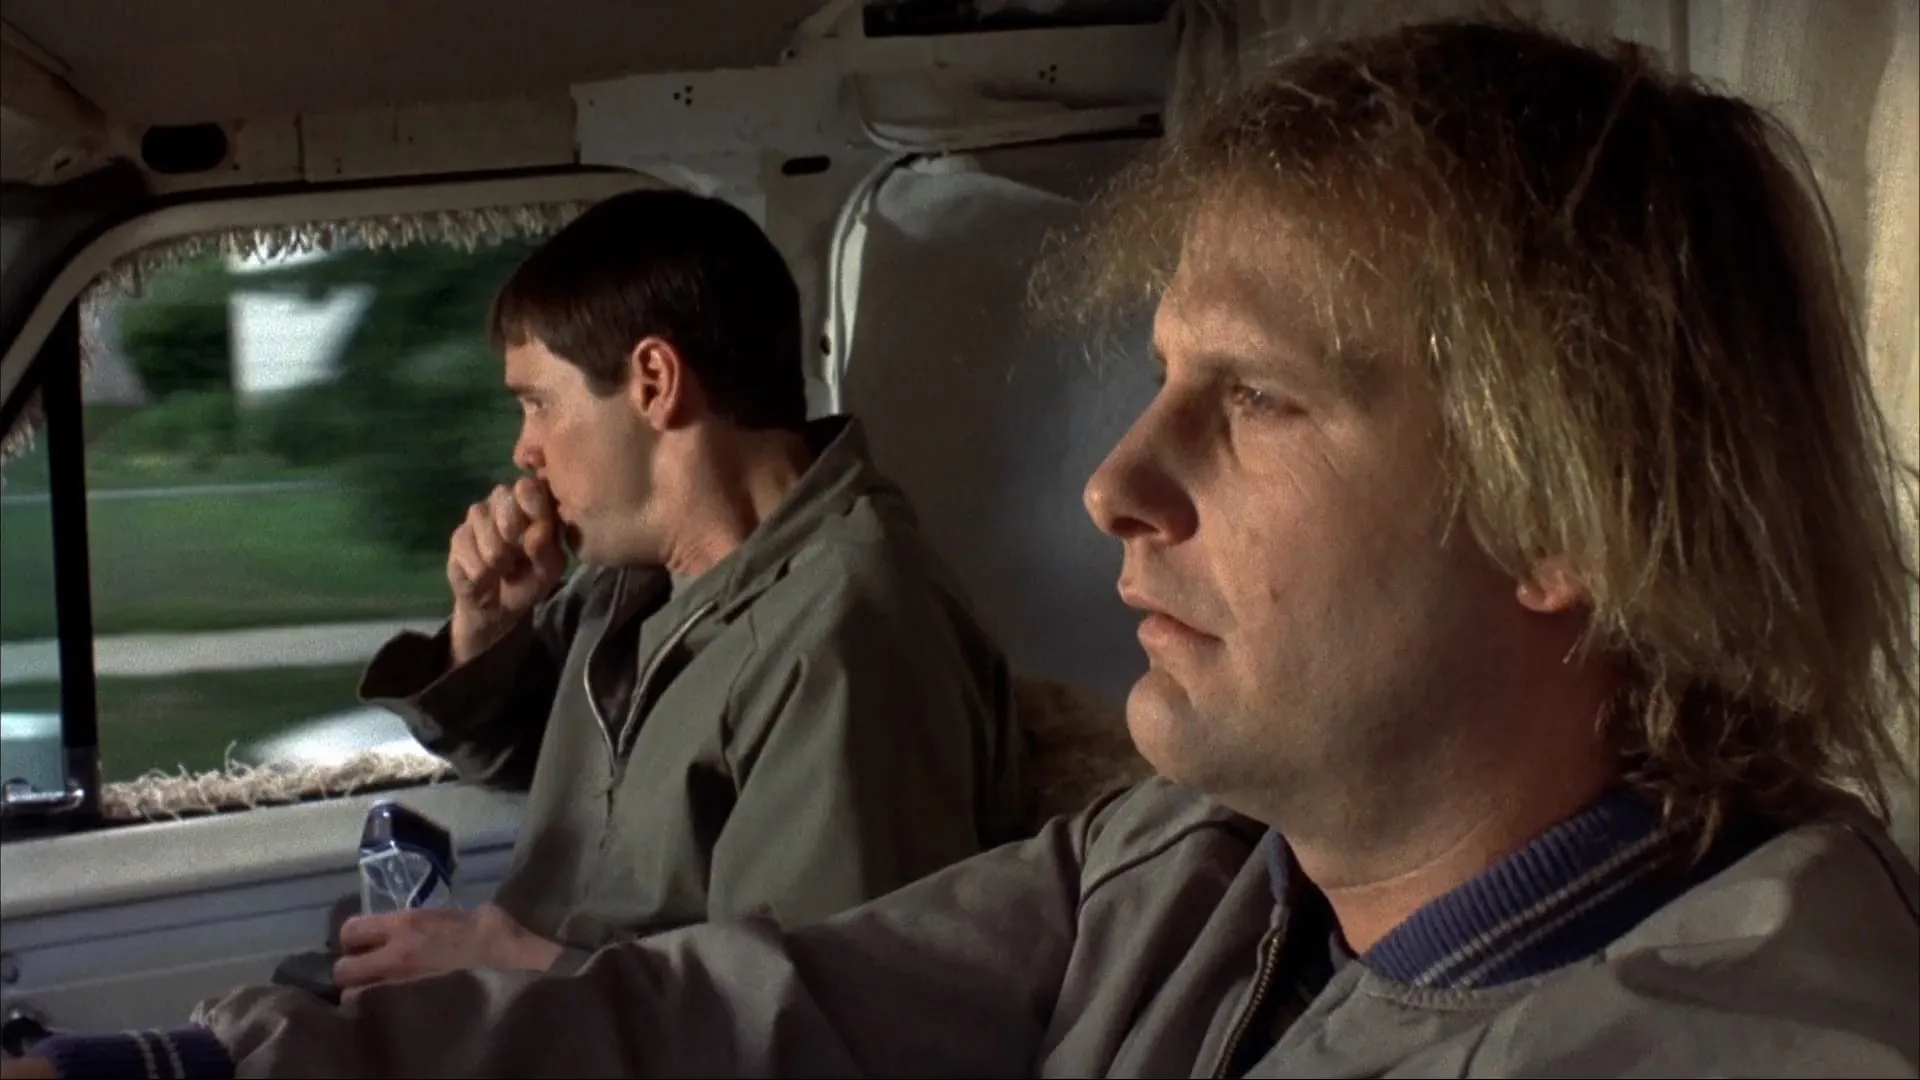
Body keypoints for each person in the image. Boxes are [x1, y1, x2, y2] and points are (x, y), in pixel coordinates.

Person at [12, 15, 1917, 1079]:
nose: (1117, 483)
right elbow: (756, 1015)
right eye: (1159, 381)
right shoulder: (1203, 863)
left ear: (1562, 508)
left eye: (1253, 398)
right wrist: (200, 1069)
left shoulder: (1724, 1048)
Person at [317, 188, 1031, 987]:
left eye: (539, 404)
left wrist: (512, 963)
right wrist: (485, 629)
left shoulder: (850, 634)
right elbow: (520, 759)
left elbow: (820, 1010)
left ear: (654, 381)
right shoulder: (631, 579)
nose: (524, 450)